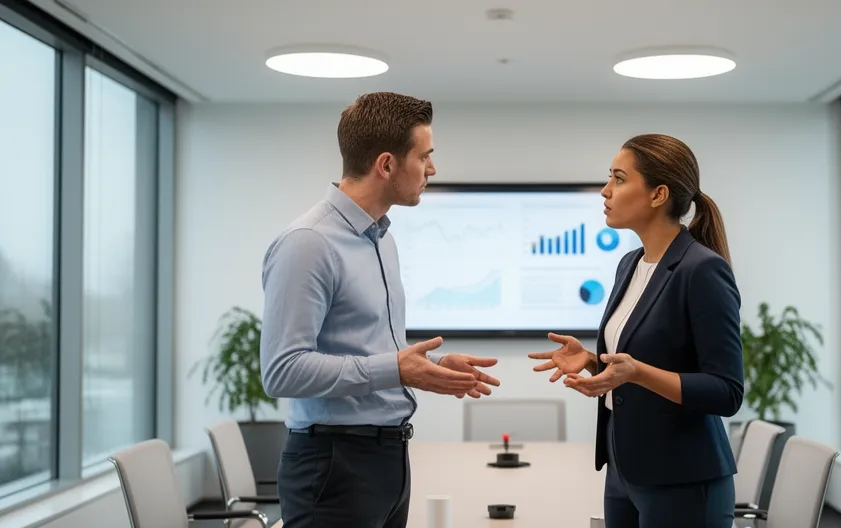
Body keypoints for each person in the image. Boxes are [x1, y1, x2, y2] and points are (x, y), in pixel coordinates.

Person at [260, 91, 501, 528]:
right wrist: (397, 369)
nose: (432, 169)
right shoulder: (308, 243)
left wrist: (430, 368)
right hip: (333, 466)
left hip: (387, 459)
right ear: (386, 165)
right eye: (424, 156)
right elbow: (282, 371)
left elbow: (367, 348)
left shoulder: (381, 239)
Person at [529, 133, 743, 527]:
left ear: (658, 194)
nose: (605, 190)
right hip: (625, 467)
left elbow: (726, 391)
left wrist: (637, 373)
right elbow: (638, 361)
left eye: (619, 178)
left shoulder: (702, 270)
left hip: (683, 477)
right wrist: (592, 361)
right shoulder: (629, 264)